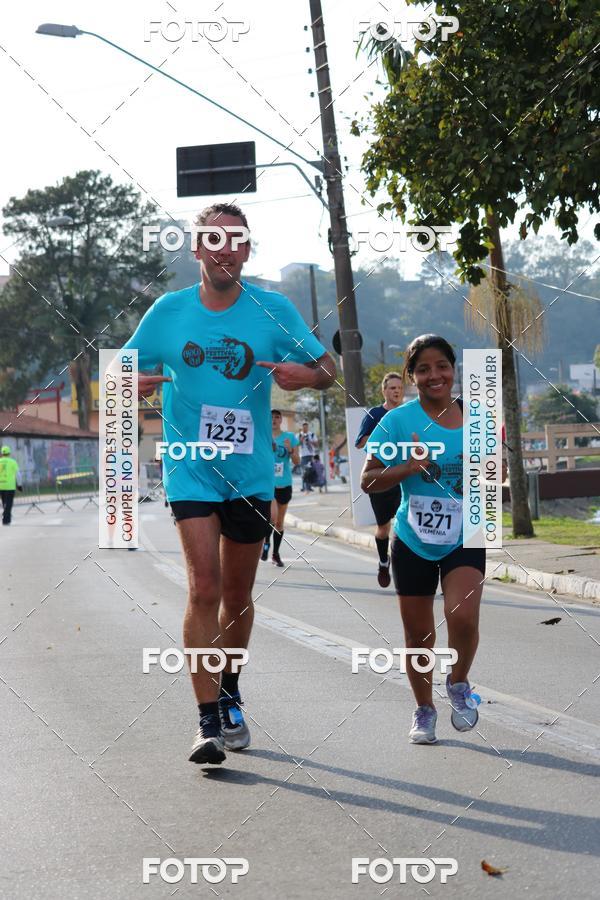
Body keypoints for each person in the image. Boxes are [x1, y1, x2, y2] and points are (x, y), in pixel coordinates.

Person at [126, 202, 335, 765]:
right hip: (189, 467)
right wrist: (134, 381)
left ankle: (230, 692)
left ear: (246, 249)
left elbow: (328, 369)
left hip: (250, 473)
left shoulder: (273, 310)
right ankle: (206, 723)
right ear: (197, 248)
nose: (224, 250)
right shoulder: (168, 312)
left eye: (235, 239)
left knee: (238, 597)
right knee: (204, 589)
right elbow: (118, 372)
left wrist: (307, 376)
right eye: (212, 240)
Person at [361, 334, 485, 745]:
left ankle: (458, 682)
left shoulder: (478, 417)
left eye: (442, 366)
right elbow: (368, 480)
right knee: (419, 638)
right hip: (414, 539)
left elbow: (492, 475)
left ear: (454, 370)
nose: (435, 375)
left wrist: (491, 472)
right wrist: (408, 468)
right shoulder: (397, 422)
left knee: (463, 617)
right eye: (424, 369)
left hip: (466, 534)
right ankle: (424, 708)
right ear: (412, 376)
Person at [355, 372, 404, 587]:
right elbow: (360, 443)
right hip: (380, 479)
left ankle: (407, 569)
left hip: (404, 477)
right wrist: (383, 435)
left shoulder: (407, 413)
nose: (396, 391)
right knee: (384, 528)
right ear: (384, 391)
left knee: (407, 526)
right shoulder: (374, 414)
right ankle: (384, 561)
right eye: (392, 388)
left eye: (399, 388)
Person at [261, 409, 300, 567]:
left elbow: (297, 461)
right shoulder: (263, 436)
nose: (274, 420)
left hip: (284, 484)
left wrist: (290, 450)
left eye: (277, 417)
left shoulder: (289, 437)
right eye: (271, 417)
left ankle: (275, 554)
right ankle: (266, 544)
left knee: (279, 522)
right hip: (267, 484)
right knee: (271, 517)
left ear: (281, 420)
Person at [0, 445, 23, 525]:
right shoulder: (12, 462)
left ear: (2, 453)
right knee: (9, 503)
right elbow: (18, 474)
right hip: (10, 486)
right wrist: (19, 485)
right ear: (9, 453)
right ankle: (6, 519)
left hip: (1, 486)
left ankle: (6, 516)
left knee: (4, 503)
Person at [298, 421, 319, 492]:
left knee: (310, 471)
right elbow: (297, 444)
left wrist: (310, 441)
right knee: (304, 471)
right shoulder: (299, 435)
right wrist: (301, 439)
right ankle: (304, 487)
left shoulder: (312, 434)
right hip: (303, 455)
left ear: (308, 427)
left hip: (311, 455)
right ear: (302, 427)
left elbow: (316, 445)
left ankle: (309, 487)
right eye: (303, 427)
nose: (305, 428)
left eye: (306, 427)